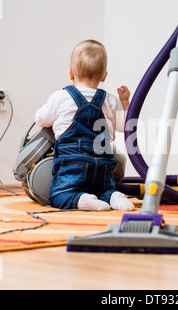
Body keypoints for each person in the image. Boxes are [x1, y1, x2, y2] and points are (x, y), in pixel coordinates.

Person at [35, 39, 135, 211]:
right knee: (104, 189)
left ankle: (82, 199)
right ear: (104, 76)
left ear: (70, 73)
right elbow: (126, 126)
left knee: (58, 196)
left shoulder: (61, 97)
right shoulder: (110, 100)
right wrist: (125, 102)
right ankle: (114, 196)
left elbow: (41, 119)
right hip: (103, 164)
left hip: (73, 162)